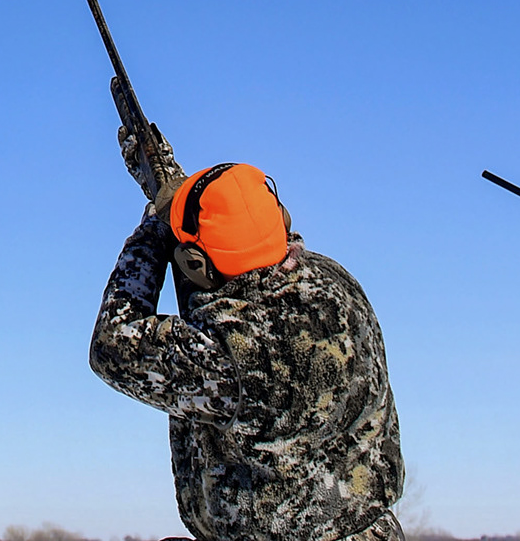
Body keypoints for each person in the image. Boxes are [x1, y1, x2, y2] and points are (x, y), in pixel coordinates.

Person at [89, 136, 405, 541]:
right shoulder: (337, 284)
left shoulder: (227, 357)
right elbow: (238, 284)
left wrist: (153, 232)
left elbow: (114, 344)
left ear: (194, 263)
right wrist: (171, 184)